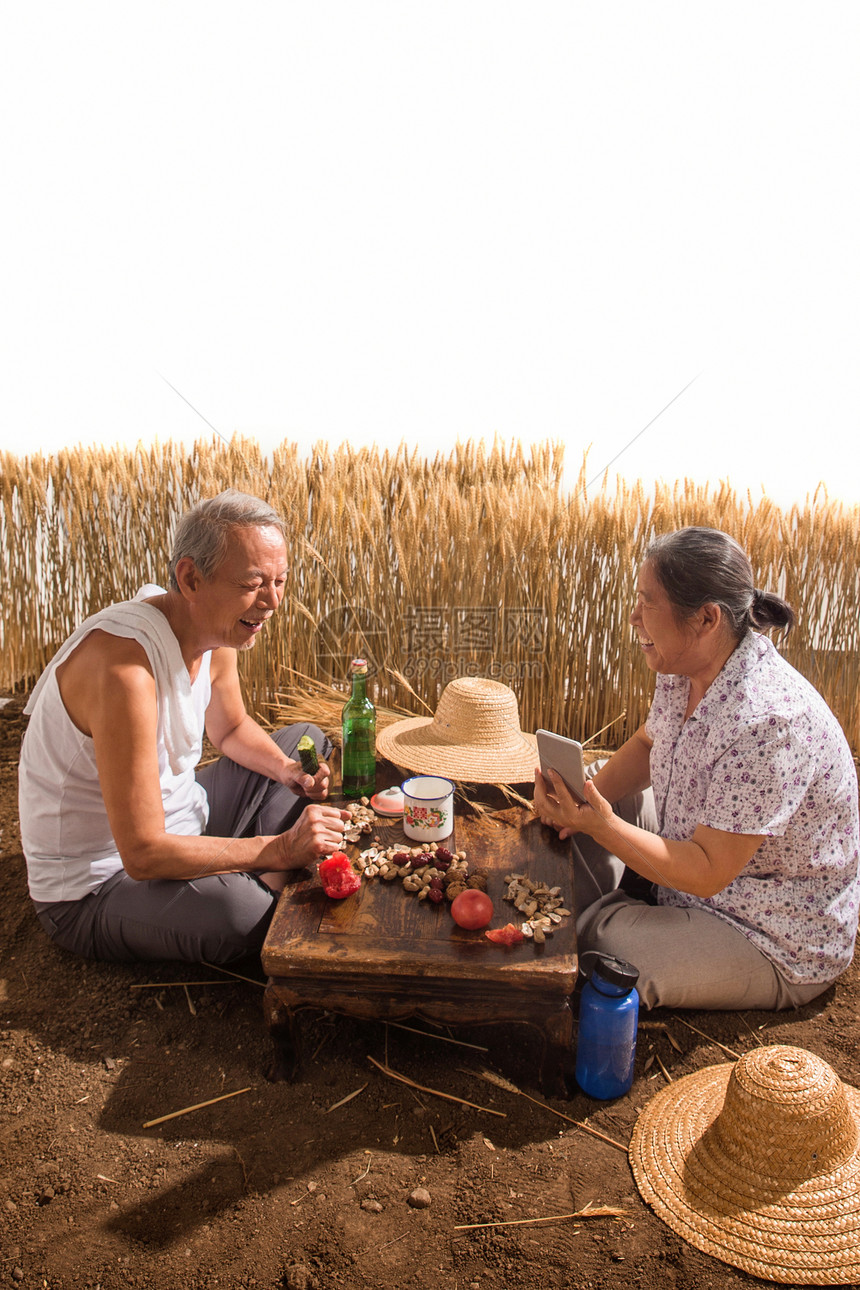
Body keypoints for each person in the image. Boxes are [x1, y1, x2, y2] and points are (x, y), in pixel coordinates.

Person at [534, 526, 860, 1011]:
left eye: (648, 603)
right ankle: (591, 894)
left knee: (609, 942)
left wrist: (601, 827)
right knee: (594, 787)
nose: (633, 617)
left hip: (770, 928)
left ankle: (595, 914)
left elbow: (708, 872)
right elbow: (649, 744)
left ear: (707, 618)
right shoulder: (681, 666)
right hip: (694, 846)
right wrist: (580, 799)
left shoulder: (768, 723)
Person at [18, 489, 349, 965]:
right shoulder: (125, 675)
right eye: (254, 582)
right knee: (246, 914)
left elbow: (231, 730)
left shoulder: (218, 631)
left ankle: (247, 870)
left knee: (304, 744)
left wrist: (287, 772)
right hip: (98, 883)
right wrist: (275, 849)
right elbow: (143, 854)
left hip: (180, 819)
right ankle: (255, 880)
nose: (272, 601)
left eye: (281, 581)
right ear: (190, 577)